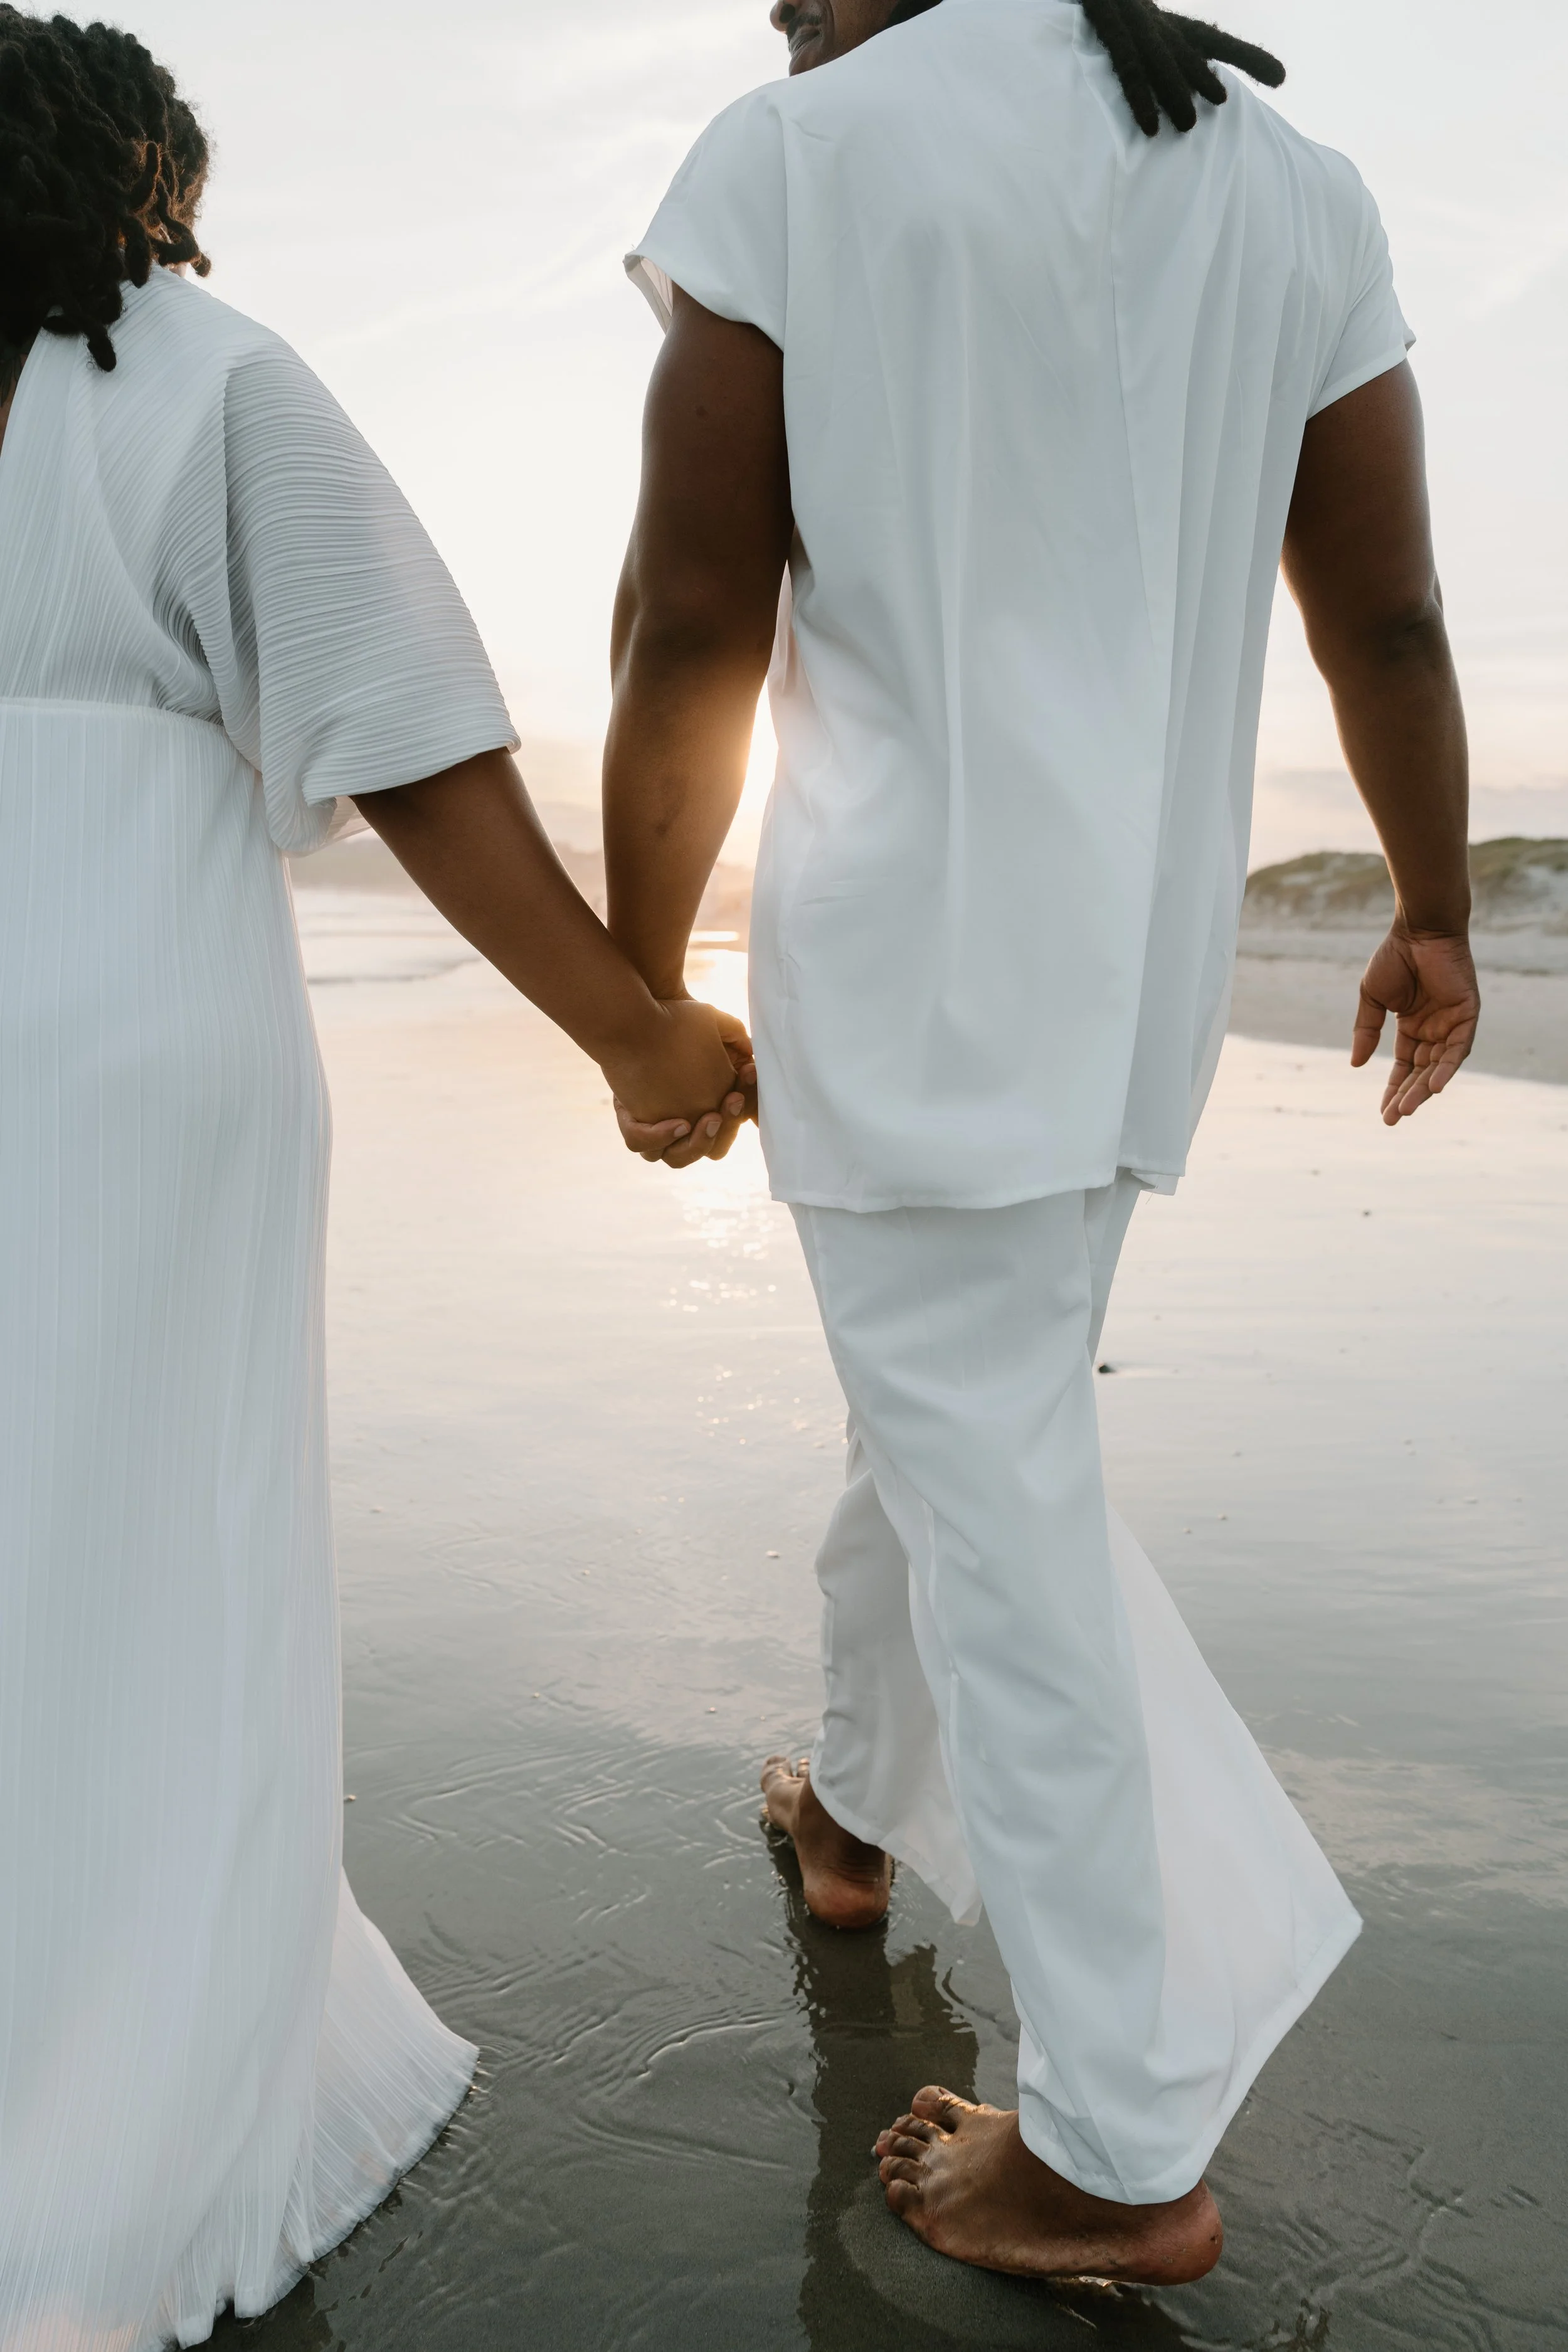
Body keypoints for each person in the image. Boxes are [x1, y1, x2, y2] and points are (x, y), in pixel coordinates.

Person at [607, 0, 1480, 2288]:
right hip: (1133, 975)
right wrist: (1430, 906)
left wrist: (636, 986)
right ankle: (856, 1815)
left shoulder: (797, 150)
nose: (767, 3)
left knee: (997, 1491)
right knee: (958, 1423)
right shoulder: (1290, 186)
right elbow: (1376, 603)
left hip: (911, 956)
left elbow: (688, 613)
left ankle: (1115, 2135)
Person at [0, 14, 748, 2346]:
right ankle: (121, 2076)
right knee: (158, 1539)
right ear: (130, 174)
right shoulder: (200, 376)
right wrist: (631, 1023)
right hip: (124, 1019)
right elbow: (402, 727)